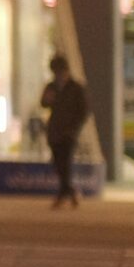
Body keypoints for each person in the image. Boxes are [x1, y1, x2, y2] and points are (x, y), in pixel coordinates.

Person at [41, 54, 89, 209]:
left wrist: (75, 128)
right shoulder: (51, 87)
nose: (58, 76)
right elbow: (43, 103)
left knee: (65, 163)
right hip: (55, 130)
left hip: (69, 132)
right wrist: (47, 99)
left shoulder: (76, 88)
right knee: (58, 164)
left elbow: (84, 111)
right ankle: (72, 192)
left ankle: (62, 196)